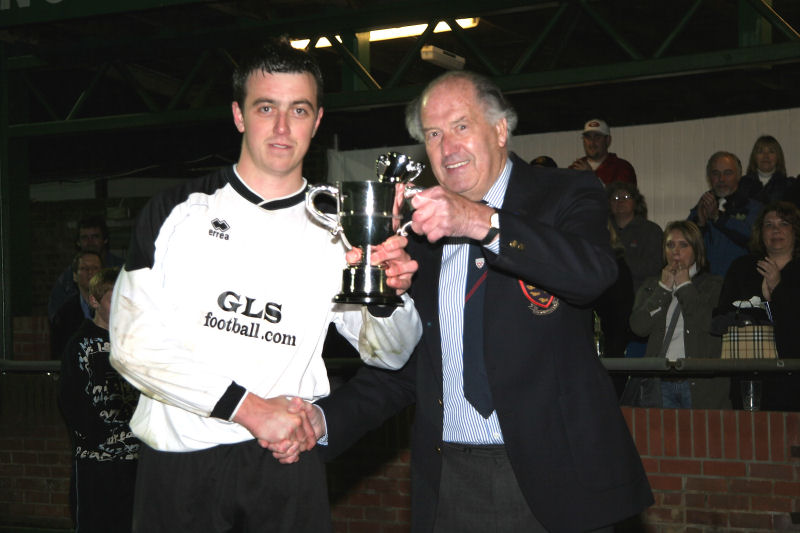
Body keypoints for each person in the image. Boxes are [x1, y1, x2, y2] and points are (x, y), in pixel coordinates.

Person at [306, 71, 653, 532]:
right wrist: (320, 423)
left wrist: (479, 221)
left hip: (560, 481)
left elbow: (592, 274)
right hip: (451, 480)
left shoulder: (565, 193)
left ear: (500, 129)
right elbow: (413, 370)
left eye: (462, 126)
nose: (448, 147)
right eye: (434, 134)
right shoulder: (418, 237)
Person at [108, 39, 421, 533]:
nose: (281, 127)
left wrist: (388, 299)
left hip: (286, 465)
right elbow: (132, 345)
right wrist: (249, 409)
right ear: (238, 115)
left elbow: (391, 356)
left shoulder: (339, 227)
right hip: (180, 467)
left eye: (298, 110)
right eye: (265, 108)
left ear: (317, 122)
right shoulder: (177, 210)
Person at [59, 268, 140, 533]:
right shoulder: (80, 344)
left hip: (133, 463)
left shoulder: (133, 344)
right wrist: (98, 440)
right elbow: (71, 402)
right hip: (97, 465)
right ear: (94, 301)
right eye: (112, 297)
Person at [625, 221, 730, 409]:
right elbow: (638, 327)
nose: (675, 251)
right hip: (659, 382)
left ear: (697, 250)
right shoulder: (652, 285)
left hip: (700, 384)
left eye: (683, 245)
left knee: (700, 437)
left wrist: (684, 286)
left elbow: (707, 323)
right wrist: (663, 289)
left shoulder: (713, 284)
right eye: (670, 245)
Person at [715, 202, 800, 411]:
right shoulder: (742, 268)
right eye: (768, 225)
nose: (776, 230)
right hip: (749, 377)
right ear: (760, 232)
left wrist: (777, 288)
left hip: (793, 378)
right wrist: (741, 319)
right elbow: (718, 318)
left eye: (784, 224)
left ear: (795, 231)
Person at [688, 151, 762, 277]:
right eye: (715, 173)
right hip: (706, 284)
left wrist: (718, 217)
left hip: (741, 280)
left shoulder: (753, 207)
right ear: (709, 177)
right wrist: (700, 224)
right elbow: (686, 243)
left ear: (738, 176)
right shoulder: (701, 206)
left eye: (728, 173)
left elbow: (753, 238)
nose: (721, 179)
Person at [48, 215, 124, 321]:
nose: (90, 242)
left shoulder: (121, 272)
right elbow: (56, 315)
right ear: (78, 242)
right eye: (84, 238)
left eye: (95, 237)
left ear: (105, 239)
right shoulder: (69, 277)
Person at [607, 181, 663, 292]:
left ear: (635, 202)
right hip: (607, 296)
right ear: (609, 204)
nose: (621, 201)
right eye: (616, 198)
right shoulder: (602, 231)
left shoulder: (651, 230)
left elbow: (654, 267)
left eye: (626, 197)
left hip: (641, 297)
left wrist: (618, 264)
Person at [50, 251, 102, 359]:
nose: (90, 272)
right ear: (74, 276)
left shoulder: (114, 309)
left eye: (95, 268)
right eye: (84, 268)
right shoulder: (63, 314)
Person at [569, 118, 637, 185]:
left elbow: (620, 195)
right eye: (588, 137)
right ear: (583, 141)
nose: (592, 143)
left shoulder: (622, 168)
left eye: (597, 137)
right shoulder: (575, 168)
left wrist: (591, 177)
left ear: (608, 140)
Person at [739, 135, 796, 205]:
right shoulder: (741, 184)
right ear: (754, 157)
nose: (766, 156)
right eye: (760, 152)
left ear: (778, 157)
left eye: (771, 152)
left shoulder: (789, 185)